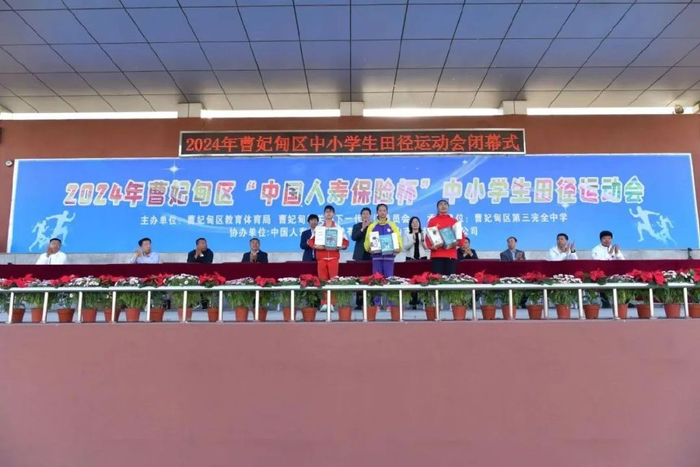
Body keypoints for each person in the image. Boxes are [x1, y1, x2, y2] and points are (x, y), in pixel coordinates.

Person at [308, 205, 349, 280]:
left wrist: (341, 247)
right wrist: (315, 246)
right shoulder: (319, 228)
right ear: (324, 214)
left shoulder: (339, 228)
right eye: (326, 211)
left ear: (334, 214)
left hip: (333, 258)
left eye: (330, 211)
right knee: (322, 281)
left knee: (333, 281)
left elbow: (346, 242)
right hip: (321, 258)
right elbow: (310, 241)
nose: (328, 213)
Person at [425, 199, 464, 275]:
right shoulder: (432, 221)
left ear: (448, 207)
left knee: (450, 279)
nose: (443, 206)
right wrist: (431, 246)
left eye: (445, 204)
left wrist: (457, 243)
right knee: (436, 278)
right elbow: (428, 237)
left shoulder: (454, 221)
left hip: (450, 254)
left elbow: (461, 236)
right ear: (437, 208)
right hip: (437, 254)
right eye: (441, 204)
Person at [364, 204, 402, 277]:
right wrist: (368, 249)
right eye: (380, 210)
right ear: (377, 212)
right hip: (376, 257)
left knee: (389, 279)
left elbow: (398, 238)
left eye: (384, 210)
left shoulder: (392, 225)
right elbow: (367, 239)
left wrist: (399, 248)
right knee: (377, 279)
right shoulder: (372, 226)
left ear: (387, 212)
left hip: (389, 257)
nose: (382, 212)